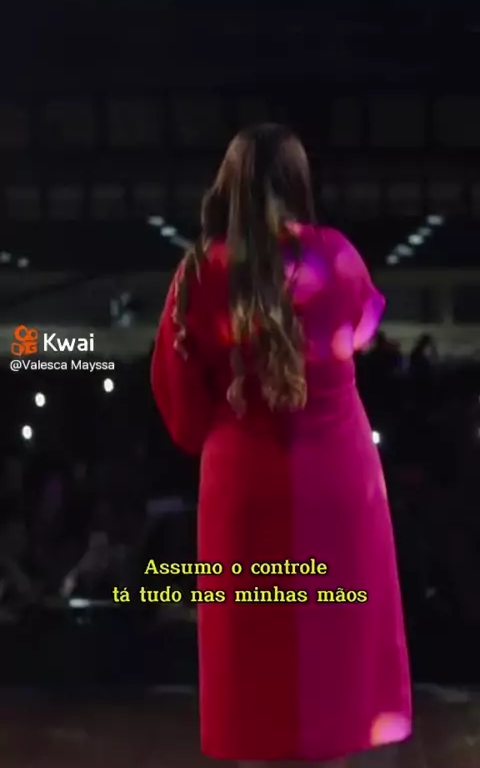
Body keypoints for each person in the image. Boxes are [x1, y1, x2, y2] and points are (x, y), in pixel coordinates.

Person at [151, 124, 411, 765]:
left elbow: (182, 413)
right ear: (298, 182)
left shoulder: (198, 273)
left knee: (255, 676)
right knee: (334, 669)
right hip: (339, 482)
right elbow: (361, 333)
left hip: (244, 486)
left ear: (227, 184)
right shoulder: (338, 256)